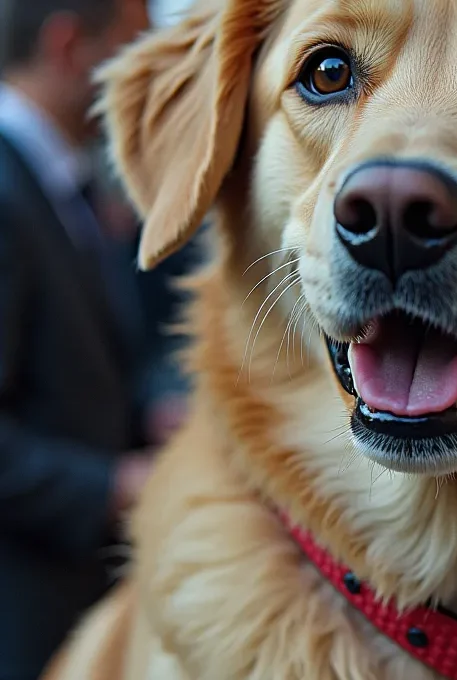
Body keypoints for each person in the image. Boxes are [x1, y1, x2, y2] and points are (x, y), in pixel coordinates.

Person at [0, 1, 151, 677]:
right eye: (132, 48)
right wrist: (116, 485)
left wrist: (146, 417)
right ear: (66, 47)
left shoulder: (56, 184)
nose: (152, 75)